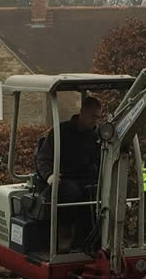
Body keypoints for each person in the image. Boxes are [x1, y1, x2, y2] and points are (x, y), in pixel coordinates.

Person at [34, 95, 103, 248]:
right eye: (93, 116)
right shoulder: (60, 133)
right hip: (63, 179)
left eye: (98, 117)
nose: (96, 121)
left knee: (100, 190)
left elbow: (100, 162)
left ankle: (94, 237)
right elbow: (43, 158)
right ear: (82, 112)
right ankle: (64, 235)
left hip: (87, 179)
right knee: (71, 192)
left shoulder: (97, 137)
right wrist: (49, 175)